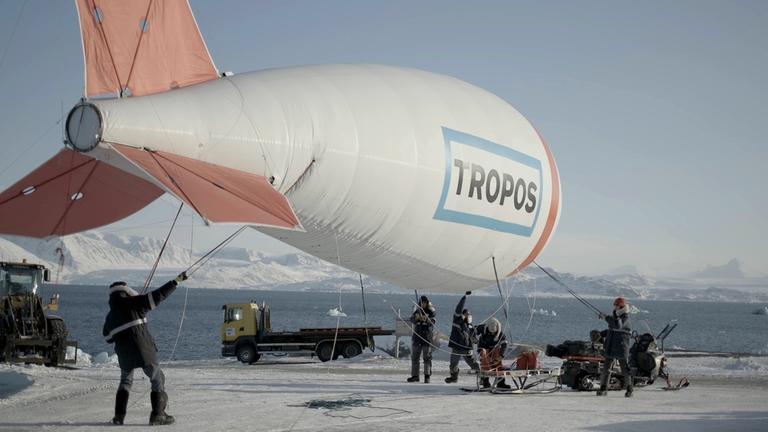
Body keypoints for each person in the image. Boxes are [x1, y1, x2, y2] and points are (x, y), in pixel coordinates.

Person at [103, 272, 188, 425]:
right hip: (144, 351)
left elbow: (108, 338)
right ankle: (158, 415)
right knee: (157, 379)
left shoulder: (110, 316)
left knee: (125, 382)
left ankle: (118, 417)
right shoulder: (136, 303)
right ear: (126, 291)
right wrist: (176, 281)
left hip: (124, 355)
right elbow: (159, 295)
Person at [596, 297, 634, 397]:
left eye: (616, 305)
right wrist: (601, 334)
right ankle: (603, 388)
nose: (615, 307)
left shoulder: (625, 317)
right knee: (606, 369)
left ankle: (629, 389)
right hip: (611, 347)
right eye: (615, 305)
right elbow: (612, 329)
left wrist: (606, 318)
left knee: (625, 370)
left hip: (621, 348)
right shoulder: (615, 316)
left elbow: (617, 326)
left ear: (621, 306)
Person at [445, 291, 479, 383]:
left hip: (466, 348)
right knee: (453, 364)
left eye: (469, 315)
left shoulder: (471, 327)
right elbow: (458, 309)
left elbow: (474, 339)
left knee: (473, 363)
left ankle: (482, 377)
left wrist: (475, 341)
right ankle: (454, 377)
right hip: (456, 347)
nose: (468, 316)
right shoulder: (457, 320)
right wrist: (464, 297)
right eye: (466, 315)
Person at [407, 295, 436, 383]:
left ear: (427, 303)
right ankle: (415, 376)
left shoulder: (431, 312)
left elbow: (433, 322)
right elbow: (411, 319)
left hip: (427, 338)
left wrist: (426, 319)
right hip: (417, 338)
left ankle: (427, 376)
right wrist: (416, 318)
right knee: (415, 358)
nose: (423, 304)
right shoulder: (417, 311)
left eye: (425, 303)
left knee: (427, 358)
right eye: (422, 302)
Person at [475, 317, 510, 389]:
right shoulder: (482, 328)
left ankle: (500, 383)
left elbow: (504, 344)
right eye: (491, 331)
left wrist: (501, 355)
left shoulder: (500, 334)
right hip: (483, 347)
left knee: (498, 364)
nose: (492, 333)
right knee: (485, 364)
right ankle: (485, 382)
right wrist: (473, 337)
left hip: (494, 348)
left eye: (494, 332)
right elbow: (473, 331)